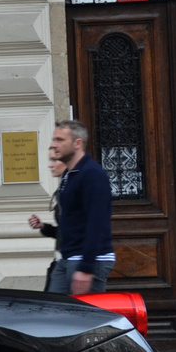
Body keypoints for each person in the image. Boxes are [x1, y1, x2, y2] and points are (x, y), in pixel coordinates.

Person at [42, 120, 114, 295]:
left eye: (60, 140)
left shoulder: (92, 174)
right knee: (53, 312)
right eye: (54, 139)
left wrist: (86, 266)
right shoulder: (70, 174)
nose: (54, 145)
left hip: (88, 260)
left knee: (85, 319)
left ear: (77, 143)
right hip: (67, 258)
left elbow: (97, 222)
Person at [28, 156, 67, 290]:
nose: (50, 165)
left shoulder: (76, 188)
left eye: (55, 161)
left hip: (73, 261)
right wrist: (43, 227)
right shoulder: (63, 187)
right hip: (61, 260)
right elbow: (64, 231)